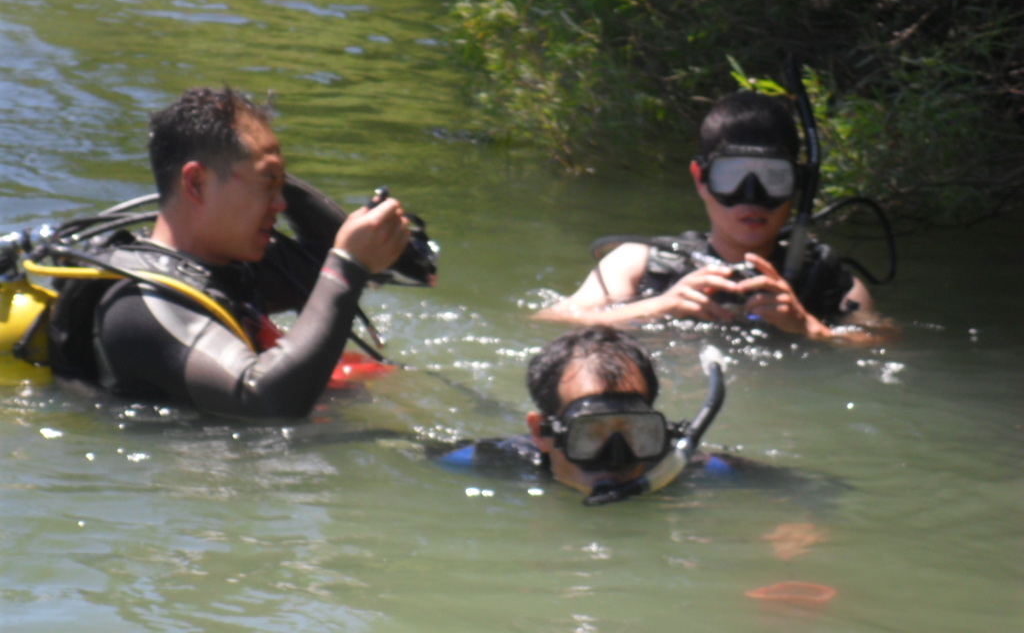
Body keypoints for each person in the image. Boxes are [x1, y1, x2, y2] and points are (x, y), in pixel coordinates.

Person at [47, 87, 412, 418]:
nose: (281, 204)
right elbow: (263, 400)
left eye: (281, 185)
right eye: (268, 184)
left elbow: (326, 268)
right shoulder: (139, 304)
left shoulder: (232, 264)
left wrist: (272, 170)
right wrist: (347, 264)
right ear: (196, 183)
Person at [534, 91, 877, 340]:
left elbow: (882, 342)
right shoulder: (639, 263)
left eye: (773, 177)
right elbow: (549, 322)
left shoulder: (828, 280)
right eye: (732, 177)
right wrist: (659, 306)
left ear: (798, 183)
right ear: (701, 179)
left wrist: (809, 327)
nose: (751, 197)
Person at [439, 325, 733, 495]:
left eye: (634, 431)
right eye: (591, 433)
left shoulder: (688, 467)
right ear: (540, 433)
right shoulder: (484, 461)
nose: (616, 458)